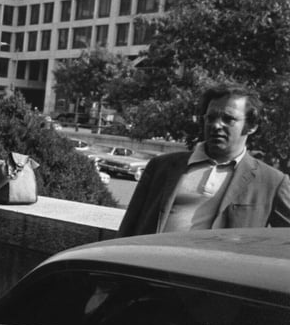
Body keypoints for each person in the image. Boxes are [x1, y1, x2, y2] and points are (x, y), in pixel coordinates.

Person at [118, 84, 290, 236]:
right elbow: (129, 227)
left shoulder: (272, 182)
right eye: (211, 117)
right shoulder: (161, 167)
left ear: (251, 126)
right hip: (153, 268)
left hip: (218, 271)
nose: (216, 125)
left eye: (228, 119)